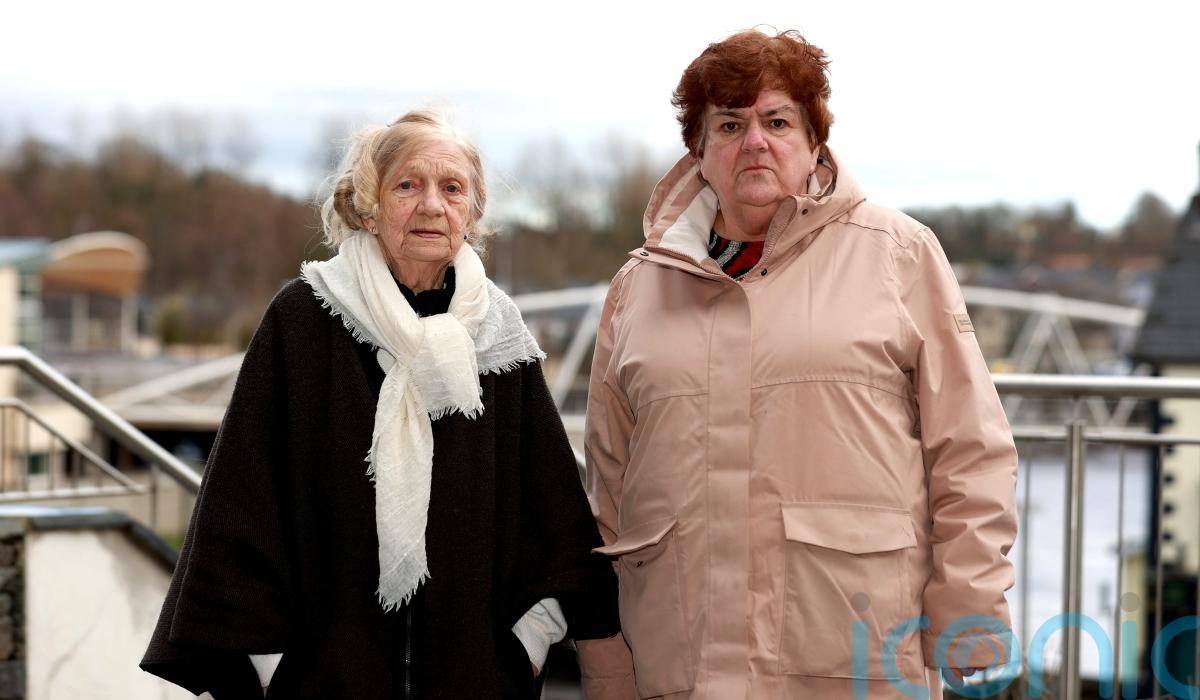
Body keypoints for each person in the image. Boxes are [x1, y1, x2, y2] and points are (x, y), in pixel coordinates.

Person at [578, 29, 1018, 699]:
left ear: (815, 143)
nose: (754, 141)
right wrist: (609, 663)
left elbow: (970, 446)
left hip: (855, 651)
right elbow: (606, 487)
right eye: (729, 124)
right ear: (699, 152)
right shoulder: (636, 288)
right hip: (679, 661)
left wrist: (969, 611)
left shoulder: (898, 254)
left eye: (777, 121)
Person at [141, 108, 618, 699]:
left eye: (452, 189)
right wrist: (274, 667)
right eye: (407, 185)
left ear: (473, 214)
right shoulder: (304, 318)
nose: (432, 206)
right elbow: (243, 498)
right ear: (369, 206)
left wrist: (528, 644)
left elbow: (551, 513)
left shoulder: (499, 332)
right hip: (324, 684)